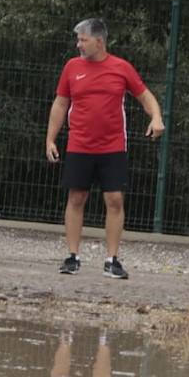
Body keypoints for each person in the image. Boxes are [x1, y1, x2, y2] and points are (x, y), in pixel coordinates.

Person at [44, 18, 165, 279]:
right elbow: (60, 104)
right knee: (76, 198)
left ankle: (112, 260)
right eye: (78, 40)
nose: (79, 45)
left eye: (83, 40)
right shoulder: (72, 67)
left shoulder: (121, 68)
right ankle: (73, 257)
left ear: (99, 41)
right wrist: (50, 138)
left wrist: (156, 117)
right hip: (79, 144)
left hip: (112, 146)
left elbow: (145, 96)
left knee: (115, 200)